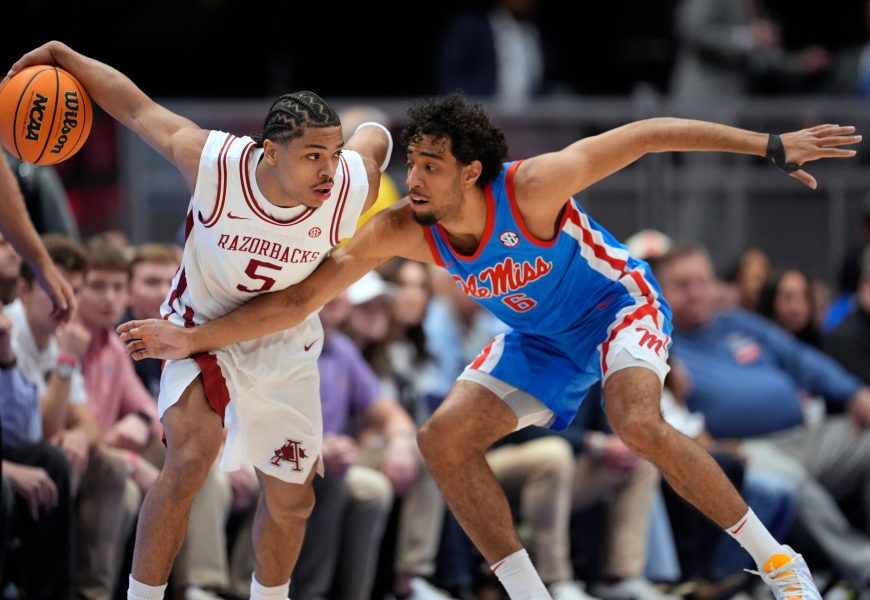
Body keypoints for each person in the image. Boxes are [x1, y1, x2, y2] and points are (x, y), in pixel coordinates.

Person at [119, 93, 860, 600]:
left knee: (636, 421)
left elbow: (645, 134)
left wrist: (768, 144)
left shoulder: (532, 187)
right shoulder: (403, 230)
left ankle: (777, 561)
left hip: (616, 309)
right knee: (442, 440)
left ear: (471, 172)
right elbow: (295, 302)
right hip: (540, 338)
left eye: (431, 166)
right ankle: (529, 593)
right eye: (412, 162)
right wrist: (193, 337)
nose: (414, 178)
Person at [5, 40, 391, 600]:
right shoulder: (216, 165)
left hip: (282, 342)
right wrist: (66, 57)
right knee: (189, 461)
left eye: (334, 154)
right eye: (313, 155)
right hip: (197, 332)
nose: (328, 170)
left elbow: (374, 143)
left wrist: (371, 133)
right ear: (269, 152)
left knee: (293, 502)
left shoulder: (349, 186)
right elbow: (135, 108)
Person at [657, 243, 870, 592]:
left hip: (805, 435)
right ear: (661, 291)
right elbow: (669, 419)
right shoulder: (662, 345)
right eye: (683, 285)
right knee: (789, 480)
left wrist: (854, 394)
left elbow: (801, 358)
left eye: (702, 281)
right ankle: (863, 568)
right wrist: (666, 370)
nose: (695, 292)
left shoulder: (736, 321)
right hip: (742, 449)